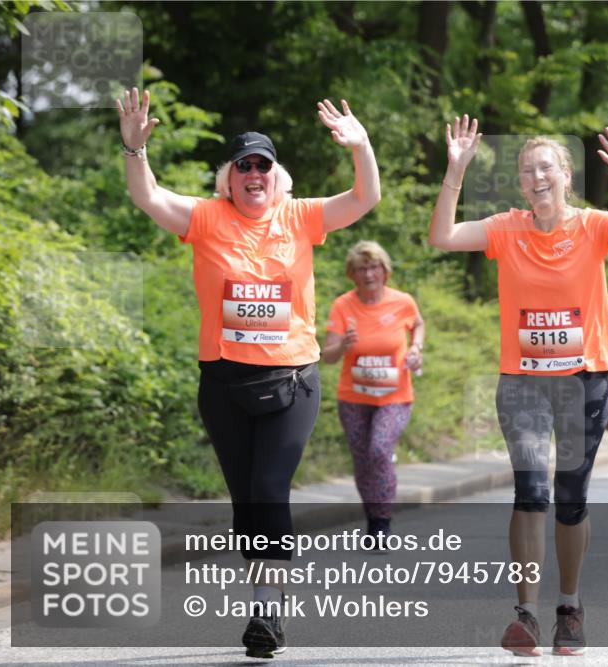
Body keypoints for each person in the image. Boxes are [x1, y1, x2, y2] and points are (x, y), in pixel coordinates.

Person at [117, 87, 380, 658]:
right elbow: (149, 198)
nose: (254, 174)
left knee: (268, 491)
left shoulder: (302, 215)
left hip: (292, 380)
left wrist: (360, 146)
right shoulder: (206, 217)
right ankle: (266, 597)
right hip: (223, 383)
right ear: (229, 179)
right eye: (244, 167)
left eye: (264, 165)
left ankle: (266, 613)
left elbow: (364, 198)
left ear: (276, 176)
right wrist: (135, 151)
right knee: (246, 506)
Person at [429, 116, 608, 657]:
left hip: (582, 381)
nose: (536, 175)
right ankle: (525, 615)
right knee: (531, 491)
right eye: (526, 170)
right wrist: (456, 171)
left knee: (570, 499)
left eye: (546, 167)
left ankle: (569, 606)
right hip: (522, 382)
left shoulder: (594, 226)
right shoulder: (504, 227)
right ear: (520, 185)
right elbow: (442, 236)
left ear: (566, 176)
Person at [321, 241, 424, 546]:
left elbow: (418, 324)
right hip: (353, 398)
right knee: (363, 460)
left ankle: (382, 521)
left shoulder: (402, 302)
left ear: (384, 270)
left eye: (374, 267)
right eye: (361, 268)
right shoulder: (343, 305)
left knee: (379, 449)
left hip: (394, 397)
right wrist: (343, 345)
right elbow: (327, 355)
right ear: (352, 274)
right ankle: (373, 518)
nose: (368, 274)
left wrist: (417, 347)